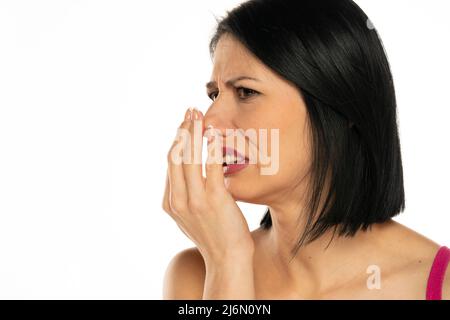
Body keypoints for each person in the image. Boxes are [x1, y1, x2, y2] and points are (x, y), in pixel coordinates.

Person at [161, 0, 450, 299]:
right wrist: (227, 263)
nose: (210, 121)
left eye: (246, 92)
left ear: (343, 106)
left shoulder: (439, 284)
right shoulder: (196, 275)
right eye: (214, 95)